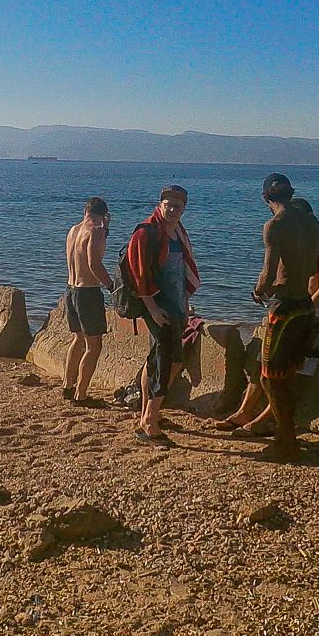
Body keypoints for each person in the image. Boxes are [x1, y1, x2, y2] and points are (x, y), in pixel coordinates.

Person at [214, 229, 319, 436]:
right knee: (264, 364)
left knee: (293, 370)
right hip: (293, 312)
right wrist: (264, 291)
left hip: (314, 314)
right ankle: (245, 412)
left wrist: (300, 314)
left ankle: (263, 420)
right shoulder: (298, 243)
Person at [247, 173, 319, 463]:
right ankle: (286, 435)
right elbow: (310, 268)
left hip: (283, 307)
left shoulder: (274, 225)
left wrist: (259, 289)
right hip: (305, 305)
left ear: (265, 198)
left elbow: (269, 273)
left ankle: (286, 440)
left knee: (270, 377)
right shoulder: (311, 221)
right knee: (288, 372)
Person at [126, 184, 199, 445]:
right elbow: (139, 275)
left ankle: (148, 413)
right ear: (160, 204)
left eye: (177, 206)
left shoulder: (178, 233)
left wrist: (185, 302)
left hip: (176, 306)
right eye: (168, 205)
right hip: (159, 309)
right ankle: (149, 422)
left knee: (157, 361)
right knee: (167, 360)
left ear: (184, 209)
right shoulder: (147, 232)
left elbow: (181, 272)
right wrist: (153, 310)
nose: (172, 210)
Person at [62, 197, 114, 403]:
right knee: (94, 345)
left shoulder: (73, 230)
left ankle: (67, 385)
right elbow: (94, 263)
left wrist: (105, 231)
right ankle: (81, 395)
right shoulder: (96, 231)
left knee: (78, 339)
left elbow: (82, 255)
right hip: (88, 293)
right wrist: (111, 285)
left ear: (86, 211)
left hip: (71, 289)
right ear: (104, 214)